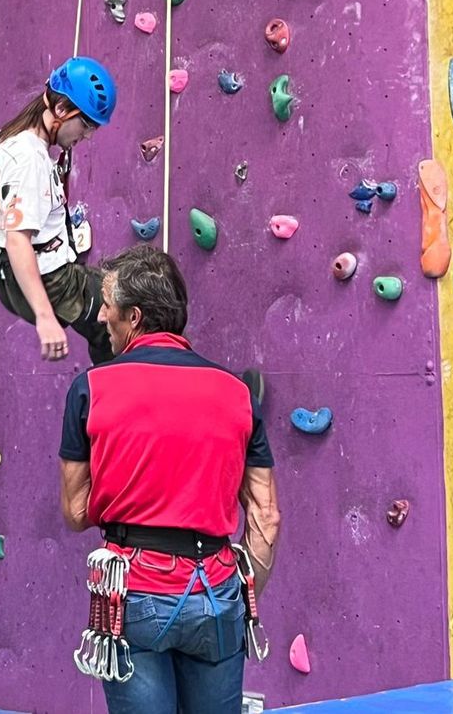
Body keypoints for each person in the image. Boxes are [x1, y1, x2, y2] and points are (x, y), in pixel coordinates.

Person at [58, 245, 282, 713]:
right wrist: (239, 600)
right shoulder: (238, 393)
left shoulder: (90, 389)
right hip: (217, 589)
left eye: (107, 305)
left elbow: (76, 513)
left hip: (133, 589)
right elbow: (266, 517)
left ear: (134, 317)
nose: (100, 316)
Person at [0, 56, 117, 364]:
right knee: (124, 311)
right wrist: (45, 317)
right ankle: (115, 389)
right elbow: (17, 240)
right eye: (87, 125)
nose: (88, 136)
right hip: (51, 284)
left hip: (7, 280)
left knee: (116, 292)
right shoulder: (29, 159)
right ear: (61, 109)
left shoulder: (2, 140)